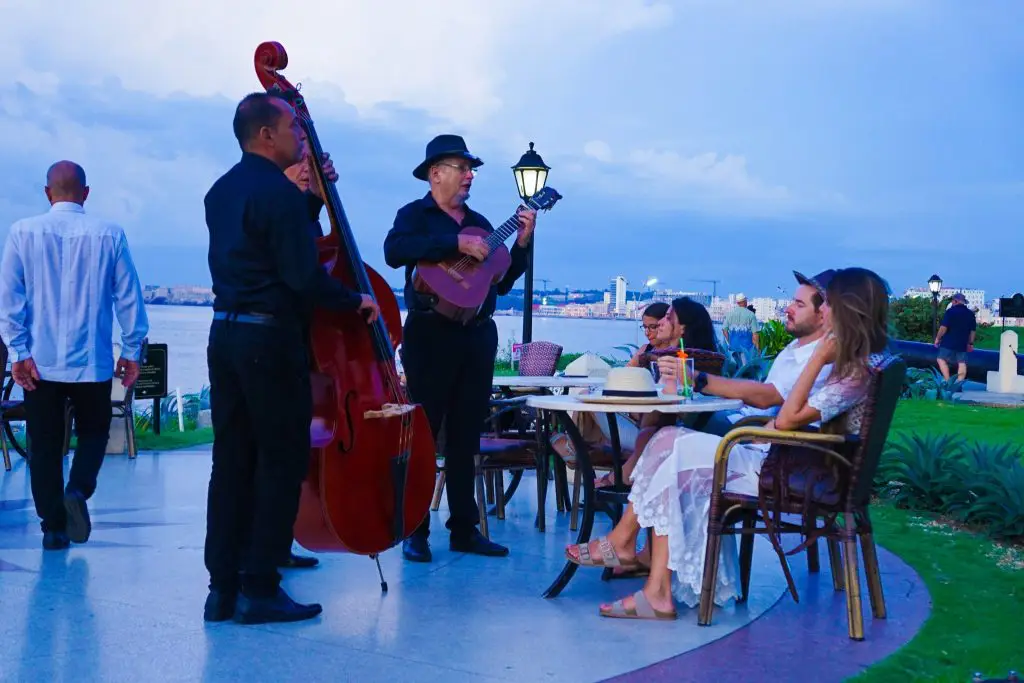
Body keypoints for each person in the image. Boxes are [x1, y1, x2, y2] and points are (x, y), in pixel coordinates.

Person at [565, 267, 893, 620]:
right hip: (779, 457)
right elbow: (787, 415)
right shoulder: (855, 365)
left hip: (782, 469)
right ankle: (645, 574)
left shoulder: (852, 372)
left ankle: (633, 556)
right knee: (666, 446)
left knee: (666, 445)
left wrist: (818, 358)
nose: (824, 310)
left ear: (845, 309)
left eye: (828, 303)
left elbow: (784, 418)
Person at [202, 92, 380, 625]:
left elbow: (267, 246)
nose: (301, 140)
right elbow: (302, 277)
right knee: (280, 462)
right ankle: (260, 587)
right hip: (268, 340)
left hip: (225, 336)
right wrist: (356, 301)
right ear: (266, 135)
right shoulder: (278, 195)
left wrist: (309, 202)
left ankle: (222, 589)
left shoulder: (220, 192)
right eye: (293, 131)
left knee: (231, 462)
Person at [383, 134, 537, 563]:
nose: (470, 175)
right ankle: (414, 530)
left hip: (476, 334)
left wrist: (521, 246)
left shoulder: (484, 223)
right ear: (436, 173)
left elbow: (501, 282)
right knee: (424, 431)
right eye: (461, 167)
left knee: (468, 432)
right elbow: (394, 251)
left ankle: (464, 529)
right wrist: (454, 244)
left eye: (472, 169)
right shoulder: (414, 215)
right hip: (430, 332)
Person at [0, 160, 148, 550]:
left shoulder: (21, 232)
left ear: (48, 193)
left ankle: (53, 528)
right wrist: (131, 350)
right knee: (95, 432)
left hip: (39, 363)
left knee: (44, 445)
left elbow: (9, 299)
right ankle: (79, 491)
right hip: (92, 361)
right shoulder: (110, 234)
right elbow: (128, 297)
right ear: (85, 193)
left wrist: (17, 351)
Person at [934, 292, 976, 383]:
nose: (952, 302)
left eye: (953, 301)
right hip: (962, 342)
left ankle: (947, 380)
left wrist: (938, 338)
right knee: (962, 363)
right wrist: (971, 343)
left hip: (948, 341)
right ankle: (959, 383)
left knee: (940, 359)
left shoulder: (950, 312)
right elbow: (972, 331)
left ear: (956, 301)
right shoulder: (970, 314)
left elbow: (943, 328)